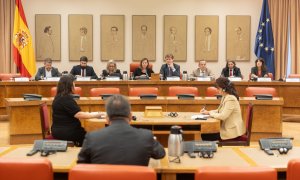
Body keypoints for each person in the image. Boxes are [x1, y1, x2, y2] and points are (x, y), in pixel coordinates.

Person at [77, 94, 165, 165]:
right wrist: (153, 140)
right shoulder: (146, 137)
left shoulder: (92, 138)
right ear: (130, 116)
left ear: (107, 118)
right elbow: (161, 154)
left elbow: (81, 165)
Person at [51, 74, 102, 146]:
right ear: (69, 85)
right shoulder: (65, 98)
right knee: (93, 139)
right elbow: (79, 114)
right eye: (73, 83)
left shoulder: (60, 96)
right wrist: (96, 115)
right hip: (66, 131)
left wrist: (92, 113)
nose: (75, 85)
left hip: (61, 129)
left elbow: (75, 112)